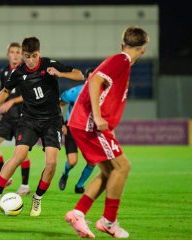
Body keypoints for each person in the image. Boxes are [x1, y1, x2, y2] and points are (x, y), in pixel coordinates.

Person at [0, 37, 84, 216]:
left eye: (34, 56)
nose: (30, 60)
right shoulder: (18, 72)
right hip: (29, 119)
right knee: (18, 156)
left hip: (52, 121)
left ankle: (37, 199)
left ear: (39, 53)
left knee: (51, 163)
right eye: (27, 56)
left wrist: (60, 74)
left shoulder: (49, 64)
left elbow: (79, 75)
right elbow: (5, 91)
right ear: (23, 55)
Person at [65, 26, 149, 238]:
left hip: (86, 123)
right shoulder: (121, 60)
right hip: (89, 123)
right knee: (123, 167)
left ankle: (78, 213)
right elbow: (94, 80)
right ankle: (109, 221)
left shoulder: (121, 62)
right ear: (144, 49)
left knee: (110, 171)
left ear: (123, 44)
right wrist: (98, 116)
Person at [0, 42, 31, 196]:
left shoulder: (26, 72)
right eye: (12, 52)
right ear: (8, 54)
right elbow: (3, 92)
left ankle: (25, 185)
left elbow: (29, 94)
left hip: (22, 116)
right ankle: (5, 178)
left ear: (22, 54)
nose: (15, 54)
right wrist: (1, 105)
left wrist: (12, 101)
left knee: (22, 153)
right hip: (8, 116)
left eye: (18, 52)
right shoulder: (4, 72)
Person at [59, 68, 95, 194]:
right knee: (73, 161)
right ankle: (65, 173)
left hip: (89, 131)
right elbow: (60, 103)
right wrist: (62, 123)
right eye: (89, 78)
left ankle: (79, 186)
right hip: (73, 129)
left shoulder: (102, 94)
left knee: (92, 161)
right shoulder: (76, 92)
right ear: (86, 79)